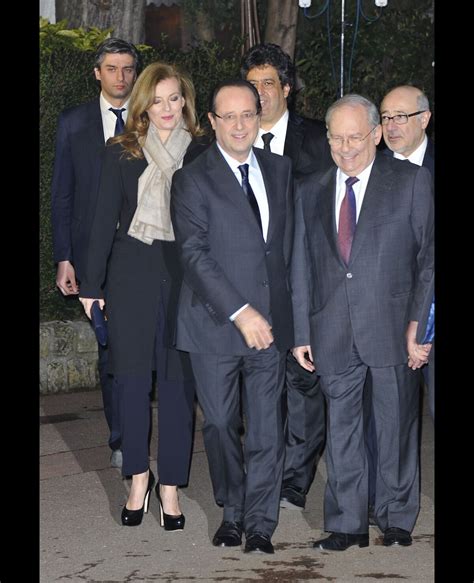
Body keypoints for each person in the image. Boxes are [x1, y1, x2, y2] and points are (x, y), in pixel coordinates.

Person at [291, 94, 434, 551]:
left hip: (394, 328)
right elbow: (300, 266)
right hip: (331, 328)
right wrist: (300, 332)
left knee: (394, 427)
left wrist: (420, 324)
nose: (346, 146)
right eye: (337, 137)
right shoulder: (310, 188)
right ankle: (347, 523)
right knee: (342, 431)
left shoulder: (411, 181)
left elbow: (428, 259)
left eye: (355, 136)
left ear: (375, 135)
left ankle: (396, 519)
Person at [78, 62, 206, 529]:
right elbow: (100, 222)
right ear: (143, 104)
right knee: (130, 383)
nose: (167, 108)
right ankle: (138, 477)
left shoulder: (201, 153)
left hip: (184, 279)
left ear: (185, 101)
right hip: (129, 277)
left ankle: (170, 485)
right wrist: (91, 288)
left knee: (176, 387)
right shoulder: (120, 153)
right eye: (157, 99)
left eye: (175, 98)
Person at [170, 79, 294, 554]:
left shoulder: (280, 171)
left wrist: (292, 322)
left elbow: (284, 250)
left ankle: (260, 522)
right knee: (220, 423)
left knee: (267, 429)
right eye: (230, 116)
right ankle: (232, 508)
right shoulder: (192, 179)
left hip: (271, 325)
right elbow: (195, 256)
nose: (240, 124)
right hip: (213, 324)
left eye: (249, 114)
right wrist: (242, 313)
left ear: (258, 116)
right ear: (212, 123)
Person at [241, 42, 331, 511]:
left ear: (287, 89)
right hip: (249, 288)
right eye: (251, 85)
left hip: (304, 283)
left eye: (268, 84)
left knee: (303, 384)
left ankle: (296, 478)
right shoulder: (230, 139)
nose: (258, 95)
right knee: (256, 386)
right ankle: (263, 469)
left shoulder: (319, 139)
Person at [51, 38, 140, 469]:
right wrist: (64, 257)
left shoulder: (152, 118)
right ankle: (122, 439)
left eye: (127, 69)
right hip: (94, 257)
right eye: (111, 68)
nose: (120, 77)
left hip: (145, 253)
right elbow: (62, 194)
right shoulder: (74, 122)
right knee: (110, 351)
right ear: (97, 73)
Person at [364, 85, 434, 520]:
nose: (391, 126)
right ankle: (383, 499)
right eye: (385, 117)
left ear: (425, 119)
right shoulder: (373, 169)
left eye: (400, 117)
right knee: (391, 416)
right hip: (395, 317)